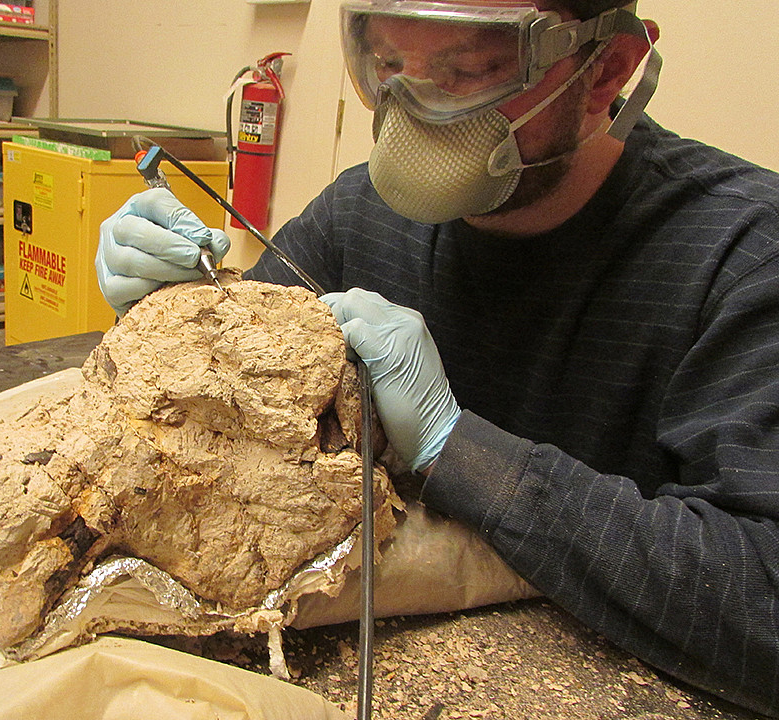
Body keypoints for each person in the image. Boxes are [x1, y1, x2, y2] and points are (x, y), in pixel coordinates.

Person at [95, 1, 779, 716]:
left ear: (607, 69)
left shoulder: (745, 256)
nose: (416, 110)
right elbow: (215, 406)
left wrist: (461, 450)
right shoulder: (356, 215)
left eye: (471, 71)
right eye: (388, 64)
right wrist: (167, 312)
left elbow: (763, 604)